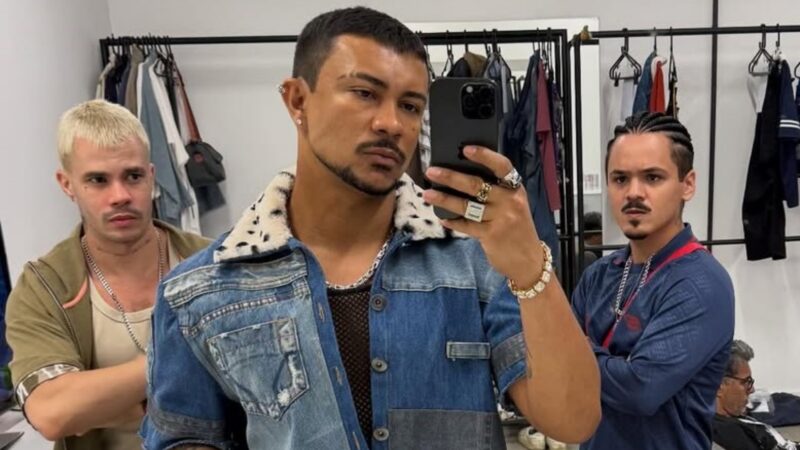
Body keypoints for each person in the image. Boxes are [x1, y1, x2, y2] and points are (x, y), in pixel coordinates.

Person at [142, 7, 600, 450]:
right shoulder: (201, 290)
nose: (391, 124)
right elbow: (185, 436)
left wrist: (530, 267)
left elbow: (573, 420)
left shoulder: (476, 260)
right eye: (364, 93)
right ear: (297, 100)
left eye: (410, 105)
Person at [5, 99, 209, 450]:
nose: (120, 196)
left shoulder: (213, 262)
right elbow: (52, 412)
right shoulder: (45, 286)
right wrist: (182, 358)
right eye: (98, 180)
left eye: (133, 176)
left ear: (152, 176)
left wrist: (103, 404)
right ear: (67, 184)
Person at [571, 111, 735, 449]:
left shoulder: (702, 284)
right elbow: (561, 374)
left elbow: (639, 391)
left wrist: (578, 352)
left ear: (687, 184)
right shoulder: (598, 275)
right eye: (620, 179)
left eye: (652, 177)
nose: (634, 192)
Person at [713, 340, 799, 450]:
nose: (752, 389)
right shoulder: (729, 433)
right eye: (746, 382)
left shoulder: (733, 416)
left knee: (782, 398)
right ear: (720, 386)